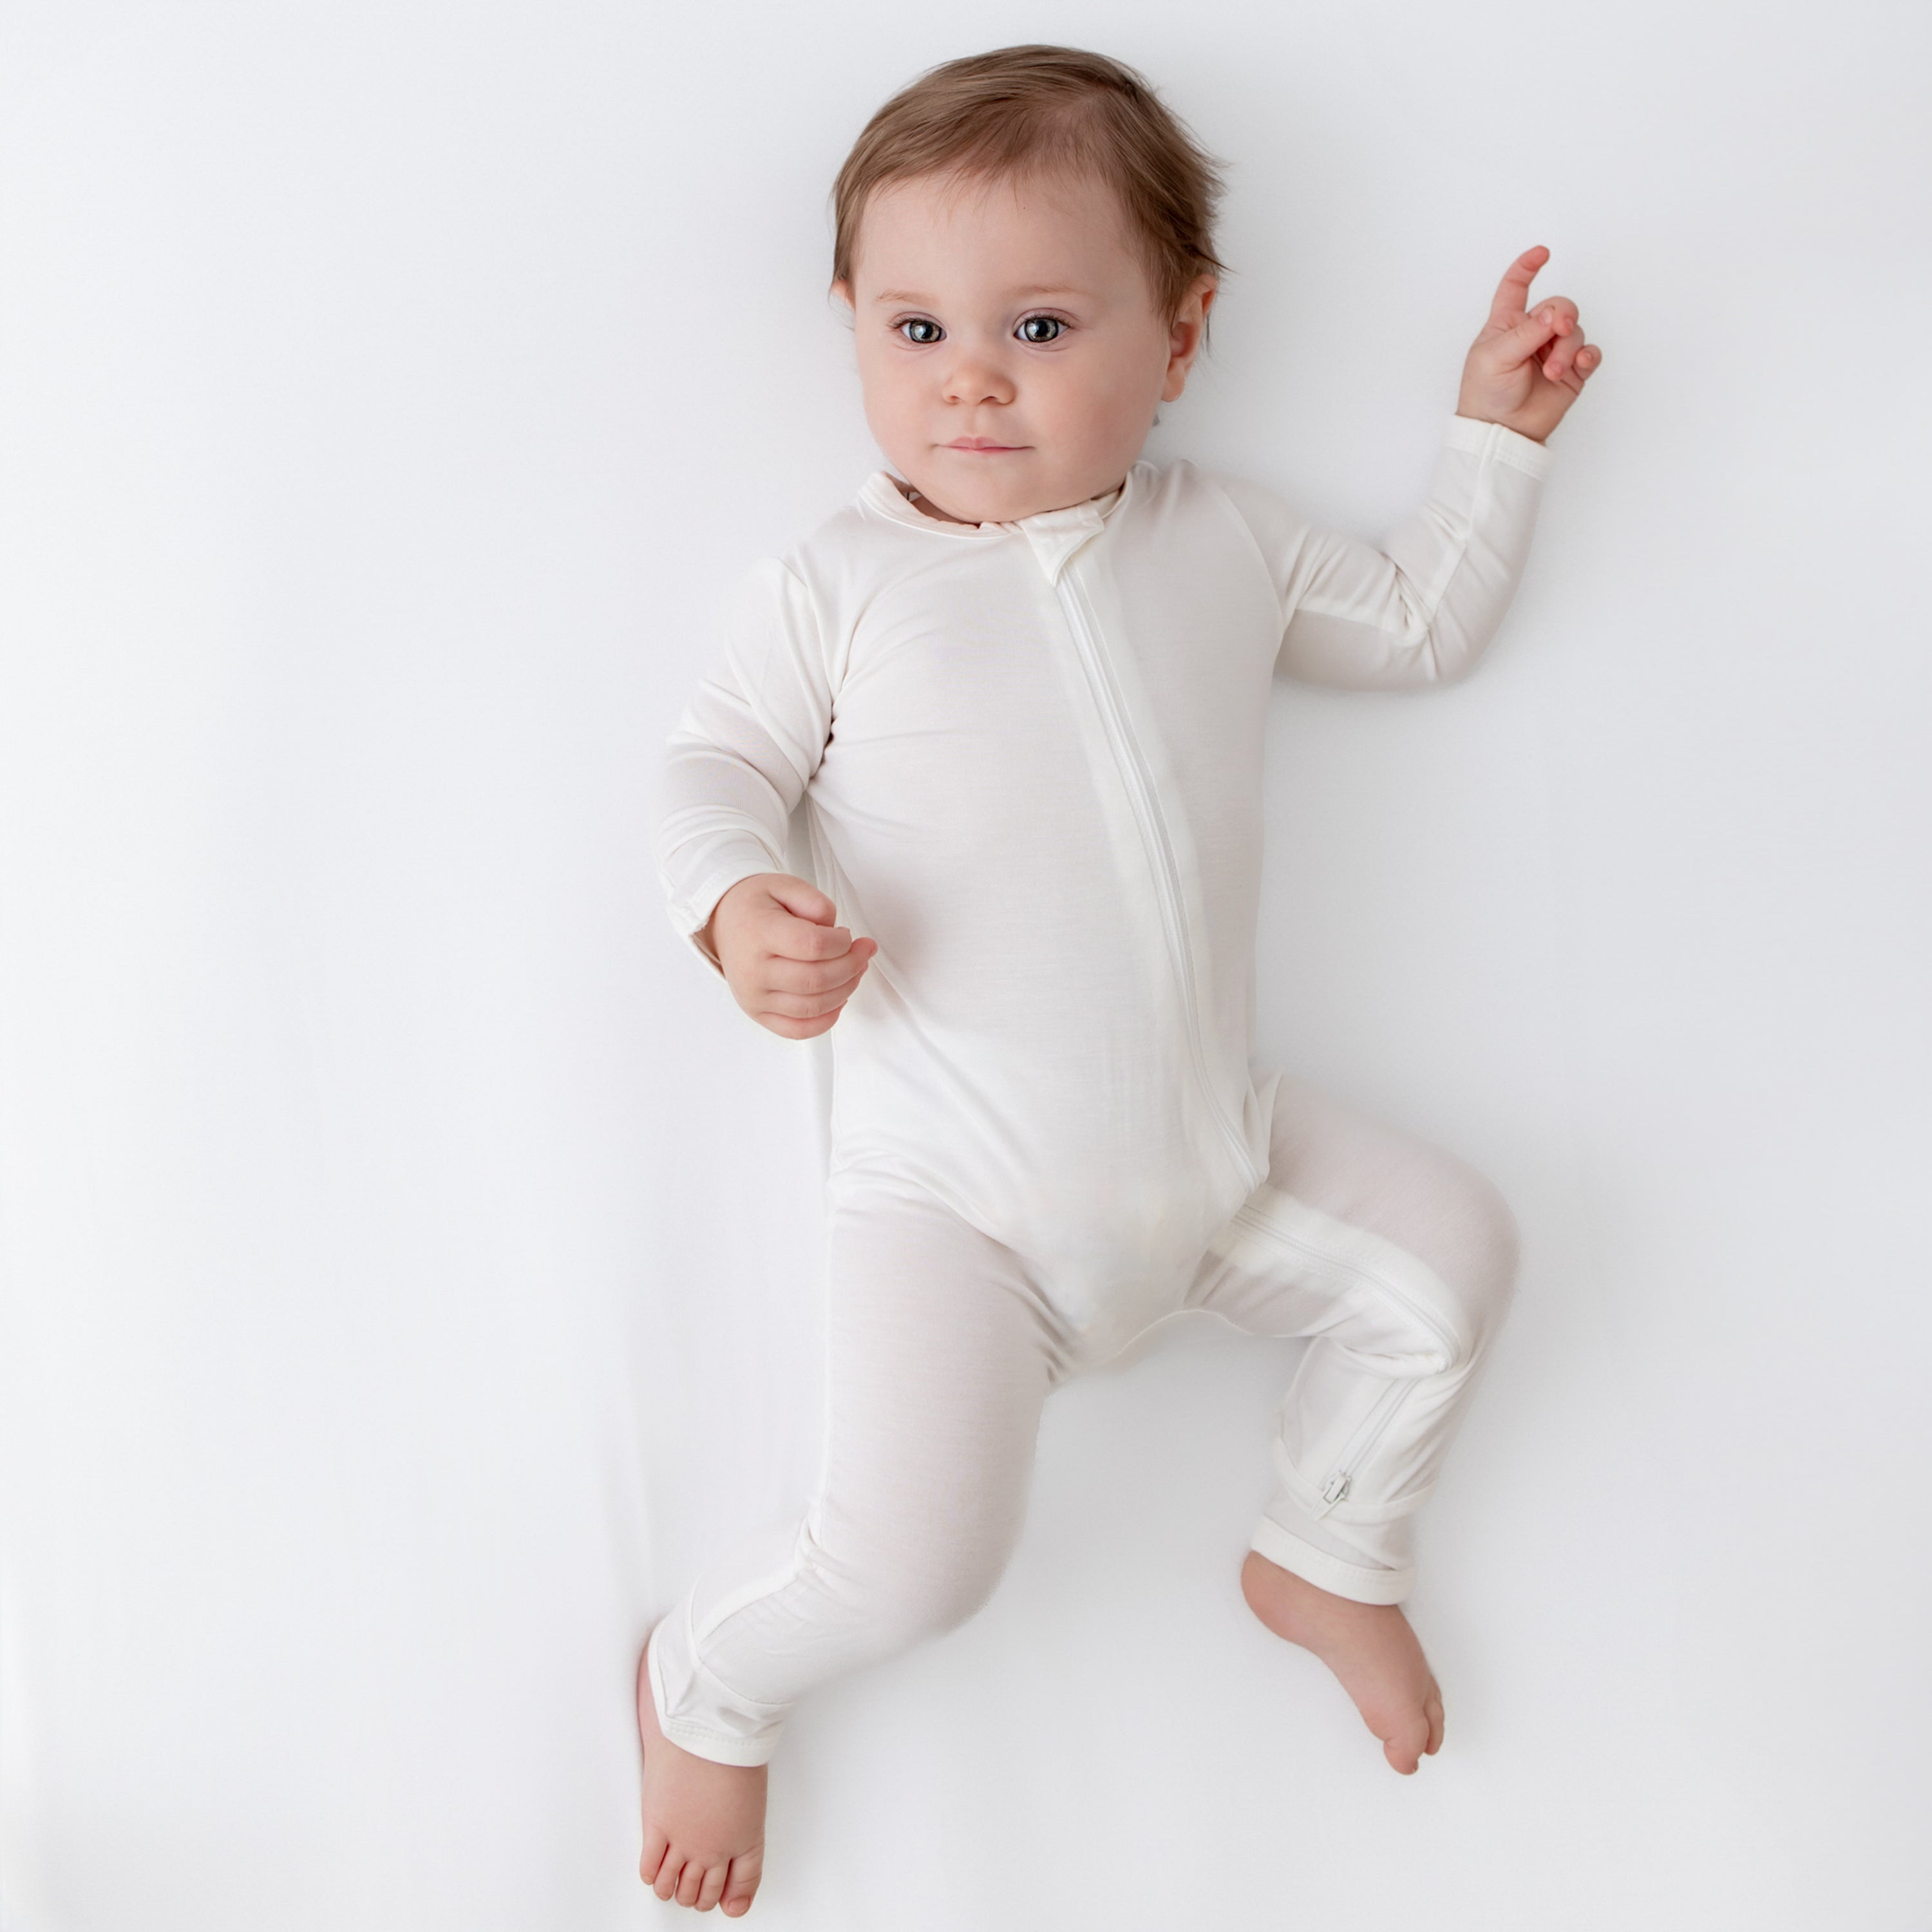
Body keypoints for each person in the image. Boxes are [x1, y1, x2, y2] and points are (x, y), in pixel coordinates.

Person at [639, 43, 1600, 1916]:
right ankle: (709, 1681)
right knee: (918, 1563)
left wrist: (1494, 437)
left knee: (1457, 1257)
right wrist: (738, 899)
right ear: (848, 324)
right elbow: (712, 766)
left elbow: (1416, 624)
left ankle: (1331, 1546)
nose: (973, 377)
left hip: (1218, 1161)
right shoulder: (839, 581)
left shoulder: (1221, 541)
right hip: (958, 1217)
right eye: (914, 328)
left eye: (1043, 324)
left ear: (1182, 333)